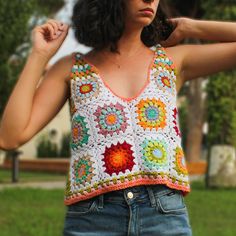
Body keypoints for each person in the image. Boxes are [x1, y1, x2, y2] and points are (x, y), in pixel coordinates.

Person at [0, 0, 236, 235]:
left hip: (164, 217)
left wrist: (190, 27)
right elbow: (10, 138)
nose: (149, 0)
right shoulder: (71, 69)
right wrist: (39, 55)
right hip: (93, 219)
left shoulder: (174, 62)